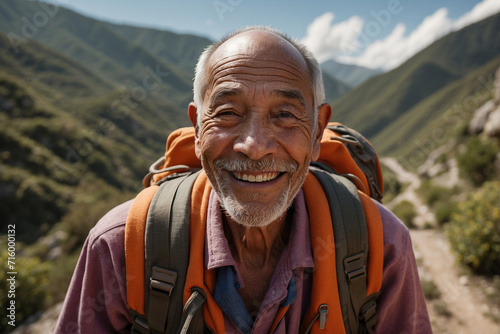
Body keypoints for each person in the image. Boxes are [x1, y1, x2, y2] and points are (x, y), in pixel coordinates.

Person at [55, 26, 432, 333]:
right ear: (198, 128)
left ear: (317, 132)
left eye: (284, 114)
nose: (254, 146)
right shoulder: (121, 245)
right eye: (228, 112)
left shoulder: (380, 246)